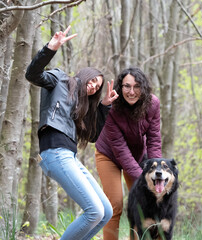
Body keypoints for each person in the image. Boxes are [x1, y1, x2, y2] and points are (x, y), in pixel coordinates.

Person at [25, 26, 118, 240]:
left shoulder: (81, 107)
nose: (95, 86)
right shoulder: (59, 80)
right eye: (93, 80)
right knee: (93, 211)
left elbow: (93, 136)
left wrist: (103, 107)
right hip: (55, 152)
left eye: (98, 86)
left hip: (70, 156)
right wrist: (51, 48)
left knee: (105, 212)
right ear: (85, 75)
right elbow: (32, 74)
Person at [95, 67, 162, 240]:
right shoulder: (113, 107)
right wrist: (142, 179)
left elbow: (154, 141)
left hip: (139, 155)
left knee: (139, 204)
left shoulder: (152, 103)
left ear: (144, 87)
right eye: (126, 86)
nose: (131, 92)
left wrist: (154, 173)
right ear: (120, 87)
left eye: (136, 86)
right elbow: (120, 149)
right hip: (109, 155)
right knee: (114, 204)